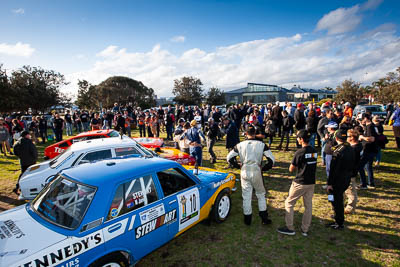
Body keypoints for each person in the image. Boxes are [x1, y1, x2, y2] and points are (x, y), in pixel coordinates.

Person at [227, 125, 275, 225]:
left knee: (246, 196)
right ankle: (264, 218)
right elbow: (271, 160)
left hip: (244, 169)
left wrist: (237, 165)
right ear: (255, 133)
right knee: (261, 194)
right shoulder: (261, 144)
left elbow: (229, 158)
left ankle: (247, 219)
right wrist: (264, 168)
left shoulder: (240, 145)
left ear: (246, 133)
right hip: (256, 169)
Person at [277, 129, 317, 236]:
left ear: (301, 139)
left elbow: (291, 169)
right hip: (311, 182)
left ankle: (290, 228)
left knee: (289, 203)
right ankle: (305, 229)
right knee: (308, 206)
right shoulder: (314, 150)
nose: (297, 139)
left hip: (300, 182)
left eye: (298, 138)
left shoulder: (299, 152)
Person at [326, 129, 355, 229]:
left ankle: (339, 222)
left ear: (336, 138)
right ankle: (338, 216)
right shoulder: (350, 148)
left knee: (336, 200)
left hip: (337, 181)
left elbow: (333, 170)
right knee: (338, 199)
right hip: (346, 178)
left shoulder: (337, 152)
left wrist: (329, 183)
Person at [344, 129, 363, 214]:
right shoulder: (355, 146)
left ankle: (350, 208)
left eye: (347, 136)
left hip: (350, 173)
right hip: (349, 173)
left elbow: (350, 162)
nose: (346, 138)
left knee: (351, 192)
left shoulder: (354, 149)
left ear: (352, 138)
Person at [359, 113, 378, 189]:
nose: (361, 121)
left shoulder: (370, 127)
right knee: (367, 167)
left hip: (369, 150)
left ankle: (364, 184)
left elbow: (372, 138)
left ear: (366, 118)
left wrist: (362, 137)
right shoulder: (368, 126)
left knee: (360, 166)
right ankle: (370, 183)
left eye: (362, 119)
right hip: (369, 149)